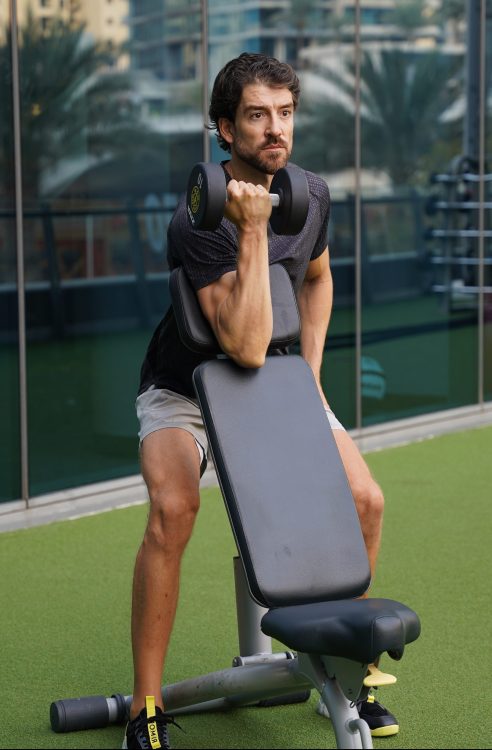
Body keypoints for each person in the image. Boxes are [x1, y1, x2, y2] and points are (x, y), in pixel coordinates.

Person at [123, 52, 397, 750]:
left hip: (277, 382)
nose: (275, 128)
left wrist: (306, 373)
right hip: (186, 389)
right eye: (256, 115)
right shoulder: (202, 219)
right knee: (172, 510)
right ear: (223, 129)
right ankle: (145, 707)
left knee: (365, 499)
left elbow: (319, 276)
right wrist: (249, 228)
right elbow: (240, 346)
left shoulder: (309, 194)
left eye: (285, 113)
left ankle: (347, 676)